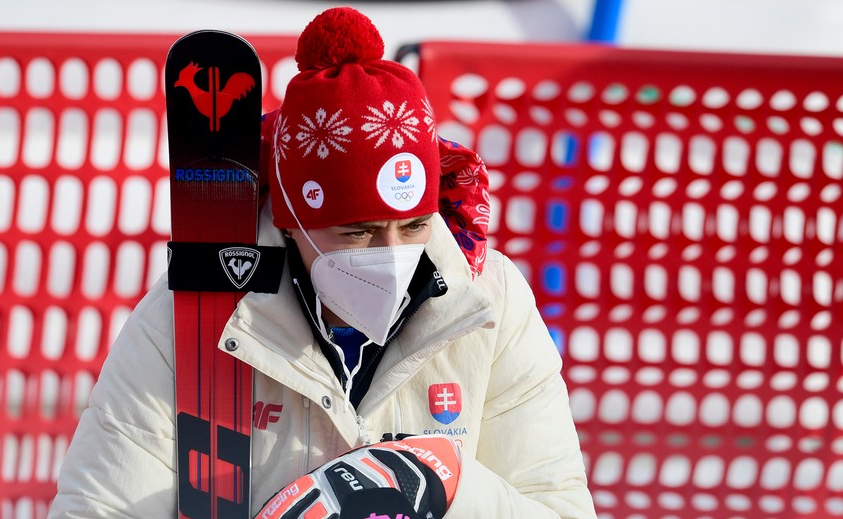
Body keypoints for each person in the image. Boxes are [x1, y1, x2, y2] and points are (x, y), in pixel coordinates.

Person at [49, 6, 596, 518]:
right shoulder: (192, 312)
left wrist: (448, 485)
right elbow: (100, 506)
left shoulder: (490, 306)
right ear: (291, 222)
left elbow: (558, 506)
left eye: (413, 227)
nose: (391, 256)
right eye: (356, 232)